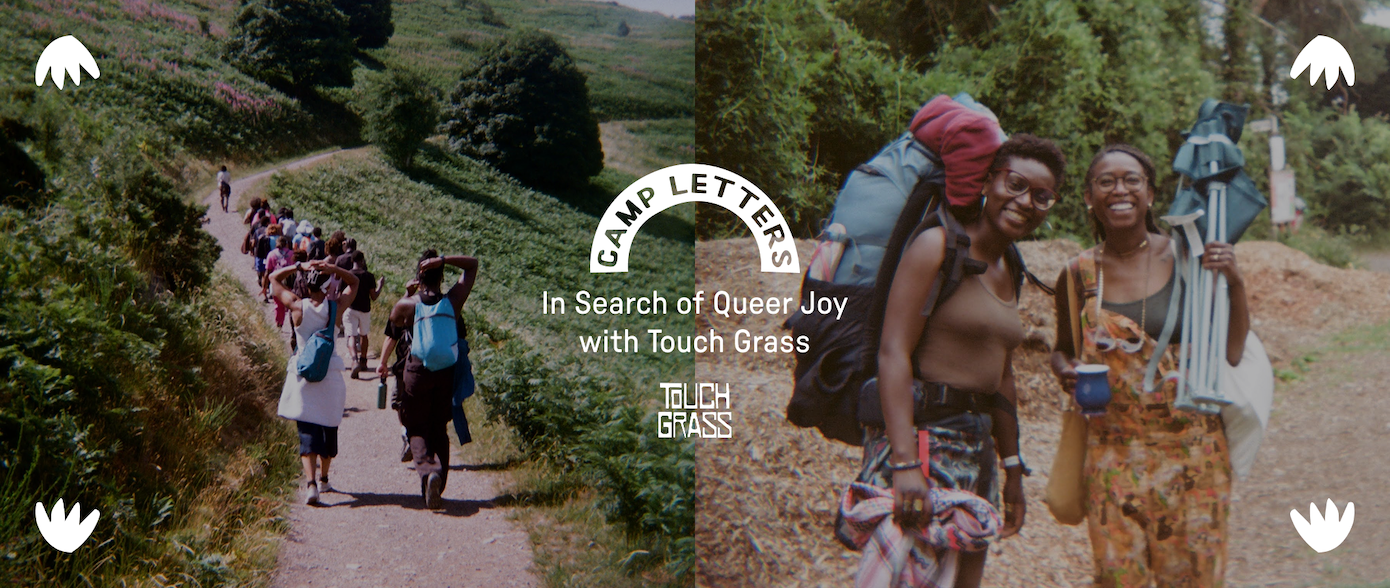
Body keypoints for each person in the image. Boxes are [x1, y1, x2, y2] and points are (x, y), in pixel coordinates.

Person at [849, 134, 1066, 588]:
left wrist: (1011, 469)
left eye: (1042, 196)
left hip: (977, 447)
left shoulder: (1011, 265)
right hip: (922, 442)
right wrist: (906, 463)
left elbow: (1001, 377)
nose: (1026, 201)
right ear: (988, 181)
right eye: (1015, 184)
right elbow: (893, 352)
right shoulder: (937, 246)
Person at [1049, 144, 1248, 587]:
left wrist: (1235, 283)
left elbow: (1231, 353)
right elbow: (1061, 347)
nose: (1119, 189)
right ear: (1088, 196)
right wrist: (1066, 371)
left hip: (1194, 459)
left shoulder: (1188, 259)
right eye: (1106, 181)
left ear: (1151, 194)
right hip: (1111, 459)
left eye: (1131, 180)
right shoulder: (1078, 272)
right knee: (1120, 579)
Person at [385, 250, 478, 509]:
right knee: (438, 426)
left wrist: (408, 293)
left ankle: (428, 472)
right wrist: (445, 259)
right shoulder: (454, 301)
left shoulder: (409, 305)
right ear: (441, 276)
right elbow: (472, 266)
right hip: (445, 371)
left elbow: (394, 321)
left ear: (419, 276)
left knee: (415, 425)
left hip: (417, 370)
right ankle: (440, 481)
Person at [270, 259, 359, 506]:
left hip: (303, 376)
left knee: (307, 432)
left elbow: (273, 279)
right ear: (328, 285)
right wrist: (334, 269)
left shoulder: (296, 305)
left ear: (306, 286)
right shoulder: (335, 308)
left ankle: (311, 485)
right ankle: (324, 478)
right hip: (329, 375)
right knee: (328, 428)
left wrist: (298, 266)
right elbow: (355, 282)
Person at [379, 279, 421, 463]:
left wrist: (382, 362)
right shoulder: (440, 304)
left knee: (400, 402)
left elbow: (392, 336)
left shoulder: (406, 307)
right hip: (433, 366)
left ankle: (407, 434)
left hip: (406, 363)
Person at [345, 250, 384, 379]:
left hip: (350, 308)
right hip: (365, 309)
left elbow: (342, 293)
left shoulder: (347, 275)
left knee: (351, 335)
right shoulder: (369, 276)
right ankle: (363, 361)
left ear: (352, 261)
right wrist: (380, 286)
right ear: (362, 261)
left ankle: (354, 360)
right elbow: (374, 296)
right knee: (364, 335)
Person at [266, 235, 295, 329]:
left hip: (276, 282)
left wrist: (264, 286)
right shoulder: (291, 254)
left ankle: (279, 324)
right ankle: (293, 324)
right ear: (286, 244)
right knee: (291, 304)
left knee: (278, 305)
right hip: (288, 282)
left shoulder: (271, 254)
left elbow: (268, 271)